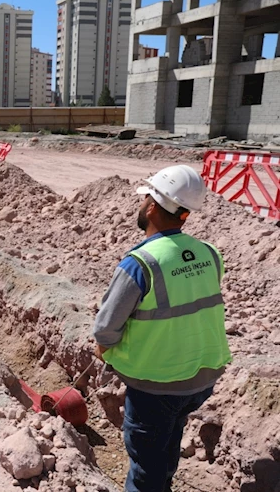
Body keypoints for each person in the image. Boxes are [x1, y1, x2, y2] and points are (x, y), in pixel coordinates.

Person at [93, 165, 231, 492]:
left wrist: (105, 349)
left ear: (153, 206)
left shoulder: (140, 263)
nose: (140, 206)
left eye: (144, 199)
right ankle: (163, 478)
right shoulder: (209, 253)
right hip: (201, 377)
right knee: (167, 440)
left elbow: (105, 330)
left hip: (158, 385)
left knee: (145, 472)